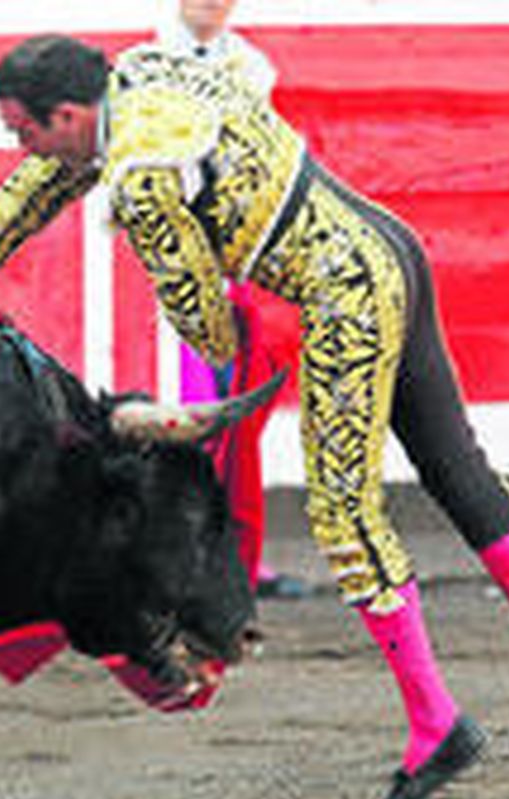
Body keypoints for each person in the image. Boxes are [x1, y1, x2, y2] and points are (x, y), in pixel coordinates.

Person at [0, 35, 509, 799]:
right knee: (452, 463)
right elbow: (51, 175)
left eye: (23, 130)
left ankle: (437, 723)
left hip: (343, 292)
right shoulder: (139, 72)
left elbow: (203, 316)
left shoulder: (141, 180)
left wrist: (227, 376)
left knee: (345, 514)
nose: (19, 146)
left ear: (68, 114)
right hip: (387, 247)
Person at [152, 0, 310, 601]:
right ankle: (182, 556)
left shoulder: (250, 66)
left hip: (229, 267)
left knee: (231, 415)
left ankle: (228, 557)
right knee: (190, 413)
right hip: (171, 267)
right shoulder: (147, 63)